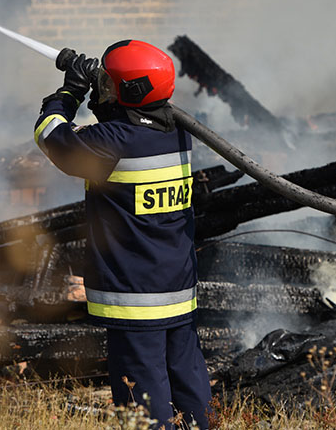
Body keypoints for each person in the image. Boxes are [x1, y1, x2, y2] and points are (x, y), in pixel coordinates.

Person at [34, 39, 212, 429]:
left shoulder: (113, 142)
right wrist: (104, 96)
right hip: (176, 286)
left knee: (141, 392)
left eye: (111, 83)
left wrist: (69, 93)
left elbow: (53, 139)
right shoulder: (177, 132)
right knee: (187, 376)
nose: (105, 88)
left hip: (136, 294)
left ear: (129, 91)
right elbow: (127, 126)